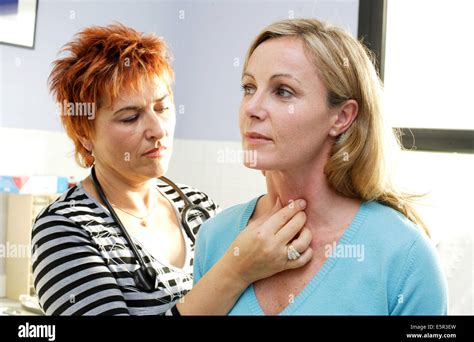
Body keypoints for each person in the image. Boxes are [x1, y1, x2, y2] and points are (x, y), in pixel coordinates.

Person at [31, 23, 314, 316]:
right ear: (85, 136)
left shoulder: (200, 209)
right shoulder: (63, 230)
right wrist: (236, 271)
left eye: (163, 108)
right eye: (130, 118)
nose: (157, 129)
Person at [193, 18, 448, 315]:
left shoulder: (404, 255)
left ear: (341, 117)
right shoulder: (215, 237)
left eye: (283, 91)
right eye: (249, 87)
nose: (251, 108)